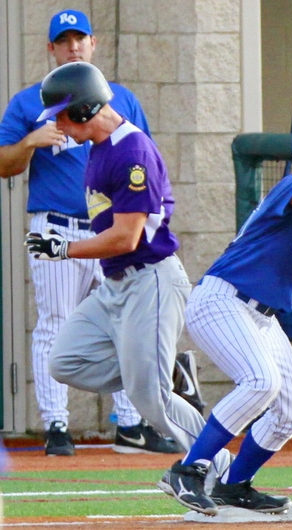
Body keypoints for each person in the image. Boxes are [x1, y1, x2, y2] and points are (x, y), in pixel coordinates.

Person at [24, 61, 232, 483]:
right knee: (64, 360)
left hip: (149, 276)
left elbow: (127, 237)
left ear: (84, 109)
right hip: (119, 285)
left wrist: (64, 249)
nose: (59, 124)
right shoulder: (100, 148)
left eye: (63, 113)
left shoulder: (131, 150)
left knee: (149, 398)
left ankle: (225, 472)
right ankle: (162, 370)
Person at [158, 118, 292, 515]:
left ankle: (234, 487)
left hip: (262, 317)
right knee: (261, 382)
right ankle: (187, 471)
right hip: (222, 299)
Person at [0, 8, 179, 456]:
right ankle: (57, 425)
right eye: (64, 40)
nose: (73, 46)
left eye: (80, 38)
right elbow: (4, 164)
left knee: (126, 325)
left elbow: (145, 163)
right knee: (55, 326)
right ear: (51, 48)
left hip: (115, 231)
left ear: (93, 44)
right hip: (58, 222)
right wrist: (28, 144)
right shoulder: (30, 103)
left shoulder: (119, 103)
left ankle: (134, 423)